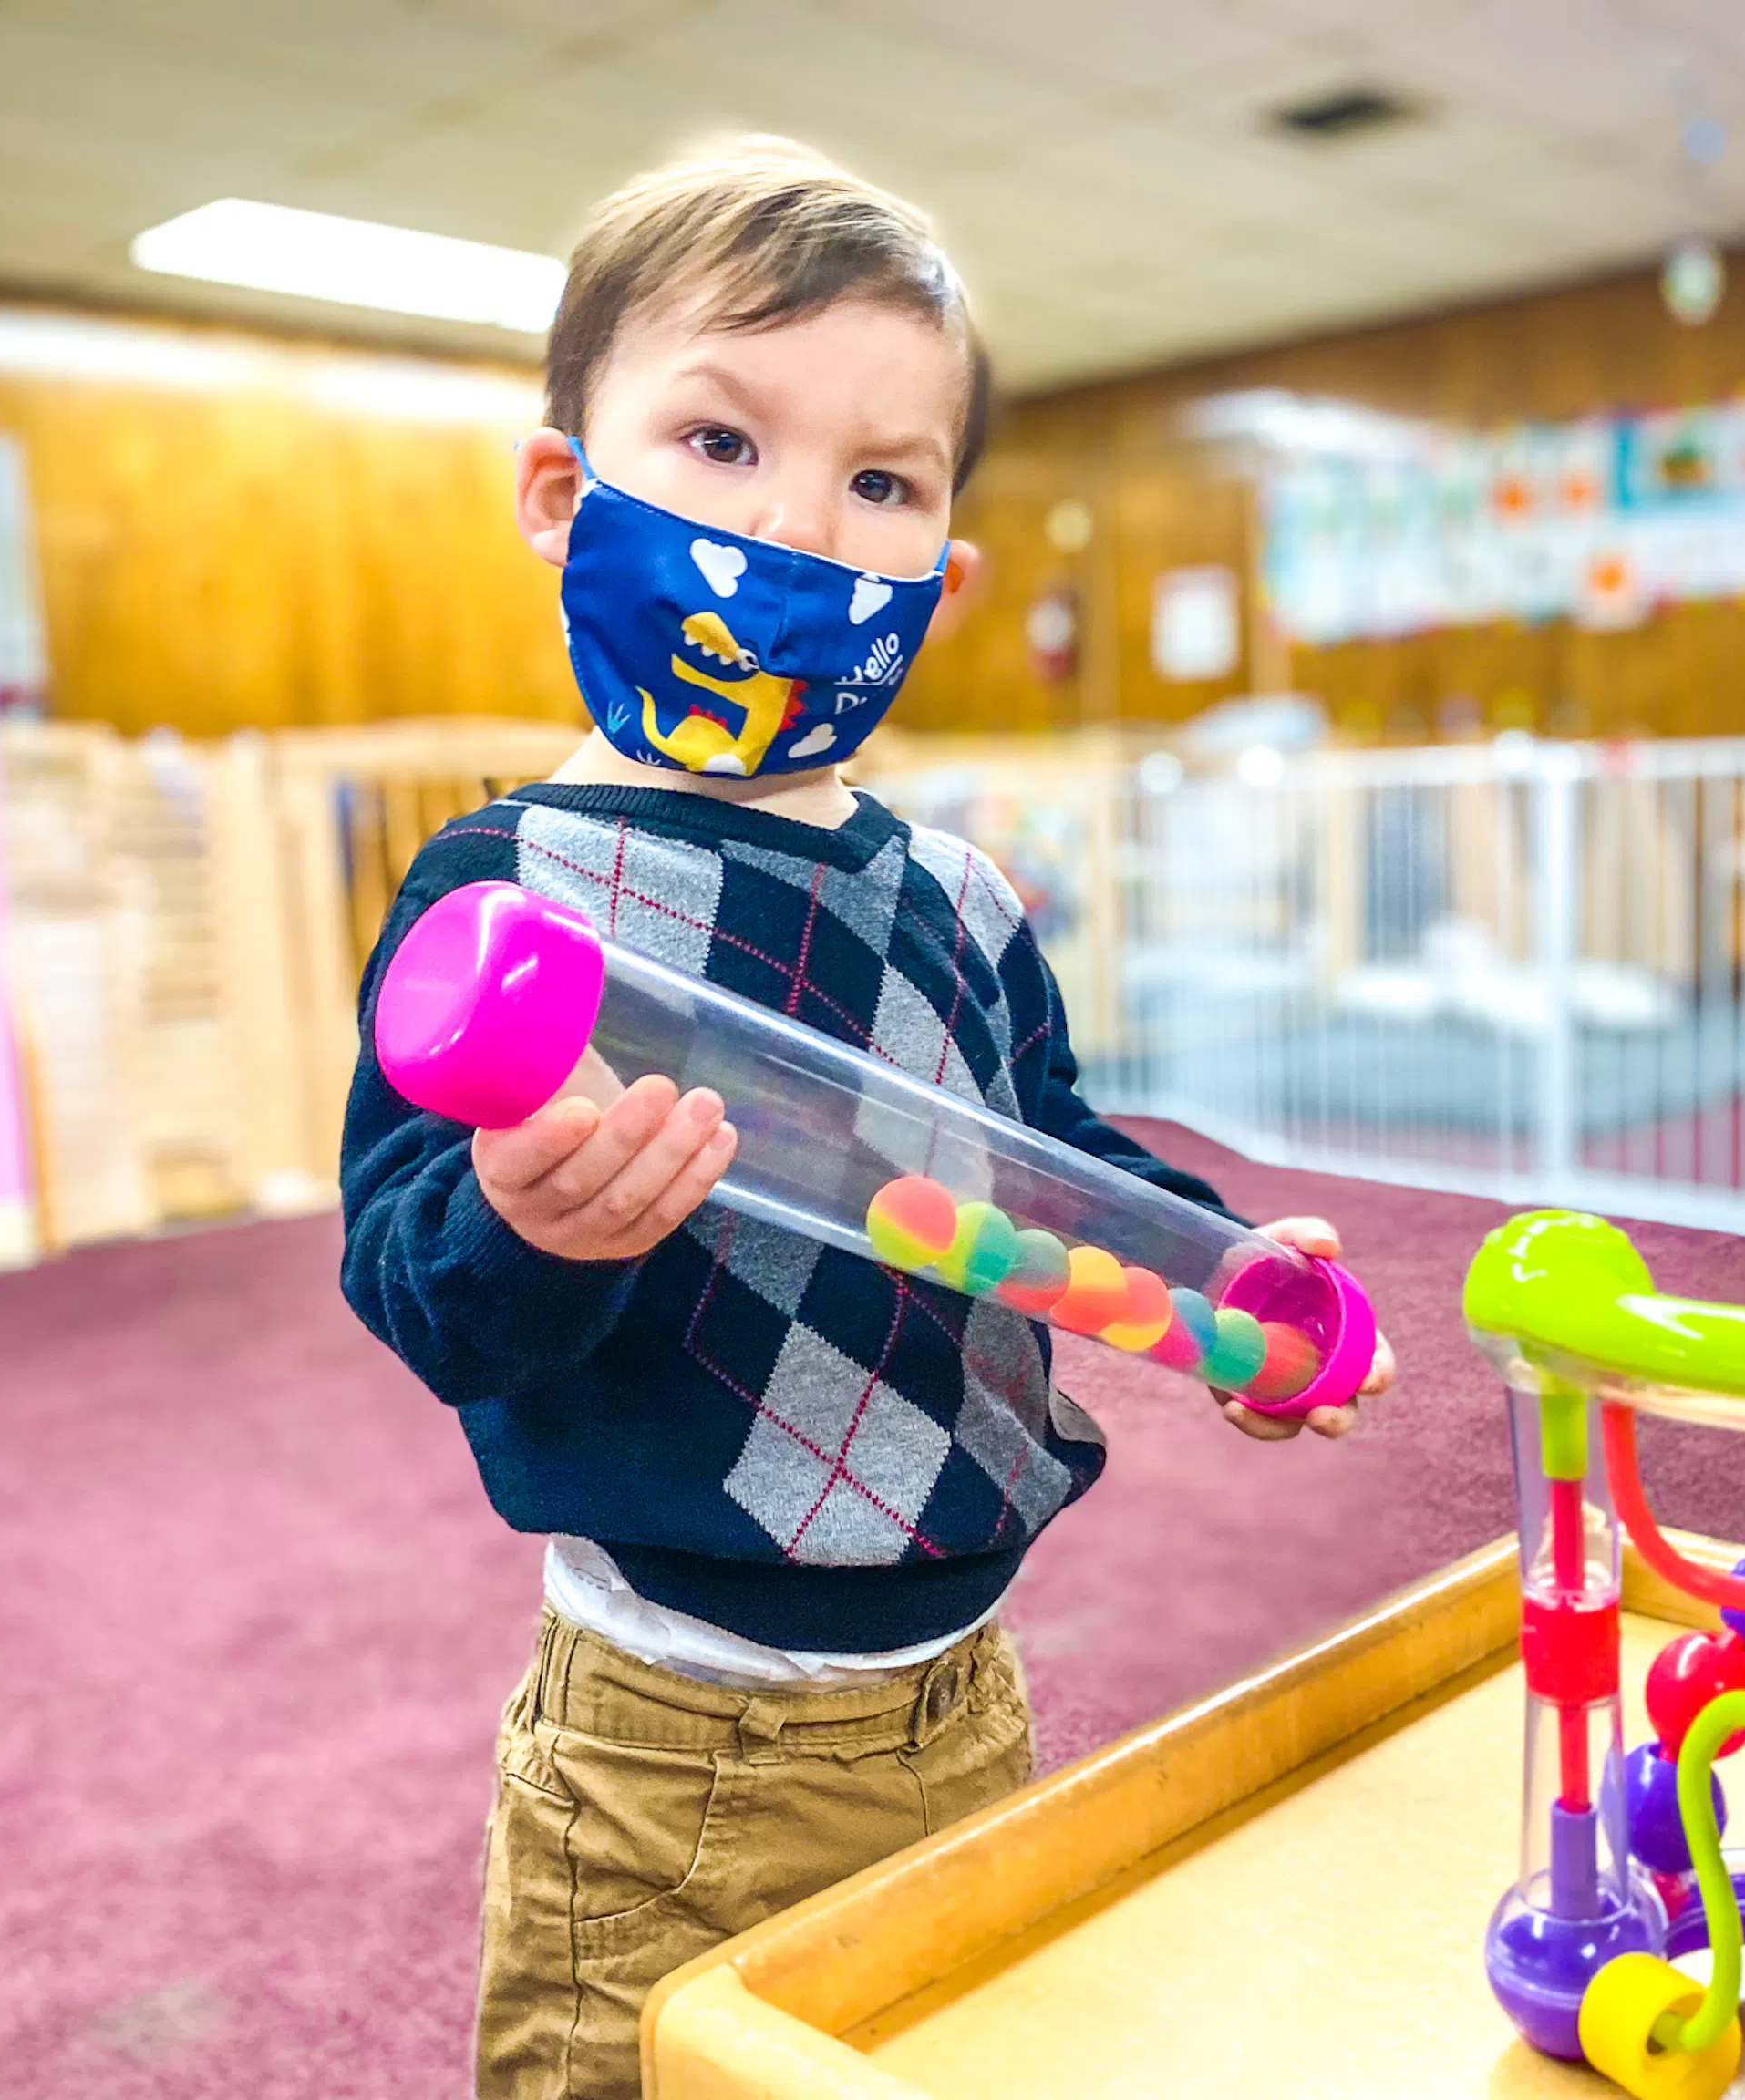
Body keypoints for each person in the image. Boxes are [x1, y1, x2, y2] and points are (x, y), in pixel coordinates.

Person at [337, 136, 1397, 2100]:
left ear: (943, 576)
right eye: (721, 443)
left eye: (881, 483)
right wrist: (524, 1227)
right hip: (673, 1739)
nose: (797, 528)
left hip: (966, 1696)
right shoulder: (511, 892)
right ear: (564, 496)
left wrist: (1224, 1282)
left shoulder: (964, 901)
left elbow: (1048, 1155)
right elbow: (413, 1283)